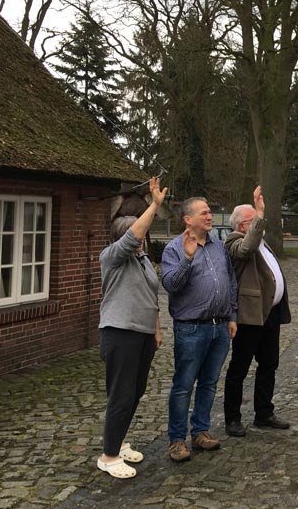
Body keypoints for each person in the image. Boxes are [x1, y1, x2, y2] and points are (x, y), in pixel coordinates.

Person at [97, 177, 167, 479]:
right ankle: (109, 456)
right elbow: (131, 237)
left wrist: (156, 330)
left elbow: (151, 296)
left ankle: (119, 441)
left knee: (135, 392)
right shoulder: (112, 257)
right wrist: (154, 205)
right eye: (135, 234)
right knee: (121, 394)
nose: (140, 239)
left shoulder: (143, 260)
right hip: (120, 332)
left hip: (143, 333)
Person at [162, 196, 238, 462]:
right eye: (204, 213)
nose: (209, 216)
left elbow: (230, 282)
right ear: (188, 219)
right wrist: (188, 258)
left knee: (209, 383)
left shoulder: (219, 247)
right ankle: (177, 440)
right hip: (191, 329)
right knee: (183, 386)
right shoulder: (174, 249)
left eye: (209, 212)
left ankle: (200, 431)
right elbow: (171, 285)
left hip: (220, 328)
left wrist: (232, 315)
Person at [223, 186, 292, 438]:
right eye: (255, 221)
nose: (261, 224)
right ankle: (232, 418)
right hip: (249, 316)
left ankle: (264, 413)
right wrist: (260, 214)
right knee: (239, 368)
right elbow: (246, 250)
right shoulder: (234, 241)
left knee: (269, 364)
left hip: (270, 314)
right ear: (243, 226)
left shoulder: (262, 243)